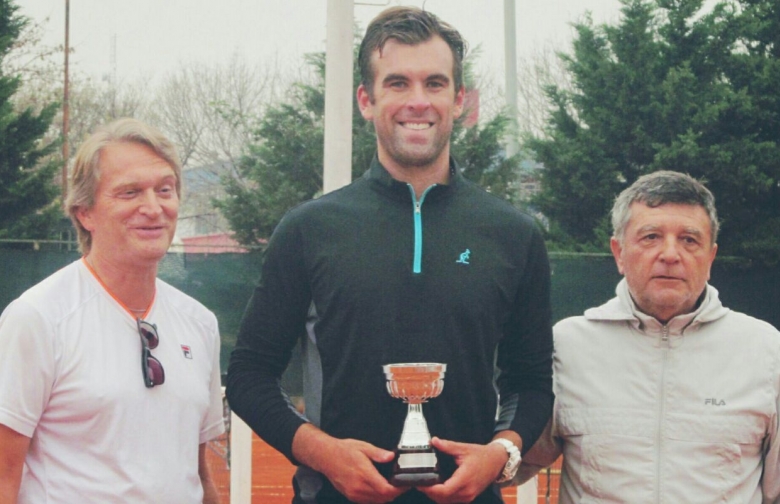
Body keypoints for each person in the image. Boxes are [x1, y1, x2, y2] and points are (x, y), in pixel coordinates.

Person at [226, 6, 553, 504]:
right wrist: (321, 453)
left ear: (459, 99)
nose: (418, 102)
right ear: (366, 99)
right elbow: (249, 375)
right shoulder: (308, 229)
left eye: (436, 84)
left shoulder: (514, 234)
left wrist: (501, 452)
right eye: (398, 83)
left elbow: (530, 384)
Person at [517, 170, 780, 502]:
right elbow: (513, 461)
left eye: (689, 239)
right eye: (651, 236)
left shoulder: (766, 351)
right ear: (619, 253)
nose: (670, 254)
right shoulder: (566, 346)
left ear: (710, 257)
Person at [0, 118, 225, 504]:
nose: (153, 208)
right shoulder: (36, 318)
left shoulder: (201, 323)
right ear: (85, 212)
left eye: (165, 190)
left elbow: (197, 472)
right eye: (130, 192)